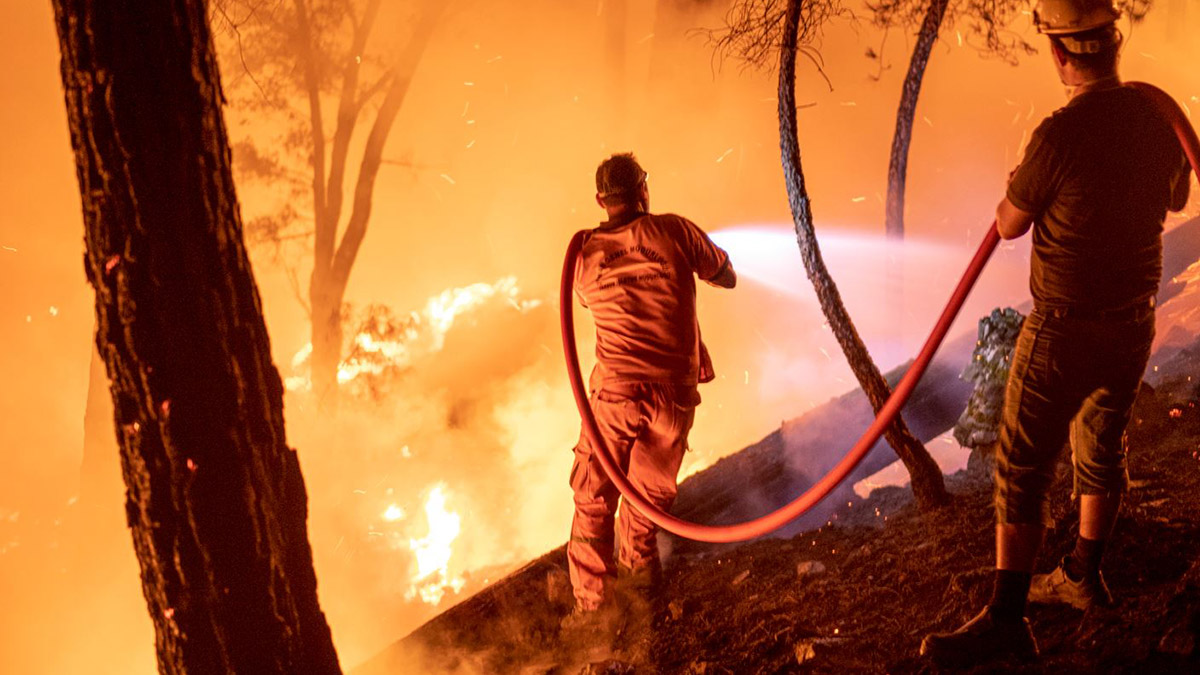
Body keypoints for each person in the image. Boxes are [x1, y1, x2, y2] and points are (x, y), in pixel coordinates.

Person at [920, 0, 1192, 666]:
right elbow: (1179, 197)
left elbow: (1009, 224)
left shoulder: (1057, 135)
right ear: (1114, 42)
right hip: (1131, 320)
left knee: (1021, 462)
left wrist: (1021, 183)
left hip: (1063, 329)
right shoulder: (1155, 118)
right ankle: (1081, 576)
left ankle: (1006, 619)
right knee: (1102, 446)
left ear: (1060, 53)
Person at [562, 153, 736, 633]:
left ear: (601, 200)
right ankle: (642, 590)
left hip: (615, 396)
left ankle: (595, 613)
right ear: (643, 189)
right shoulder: (676, 231)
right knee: (648, 496)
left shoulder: (585, 257)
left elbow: (585, 299)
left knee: (594, 495)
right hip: (672, 397)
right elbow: (726, 274)